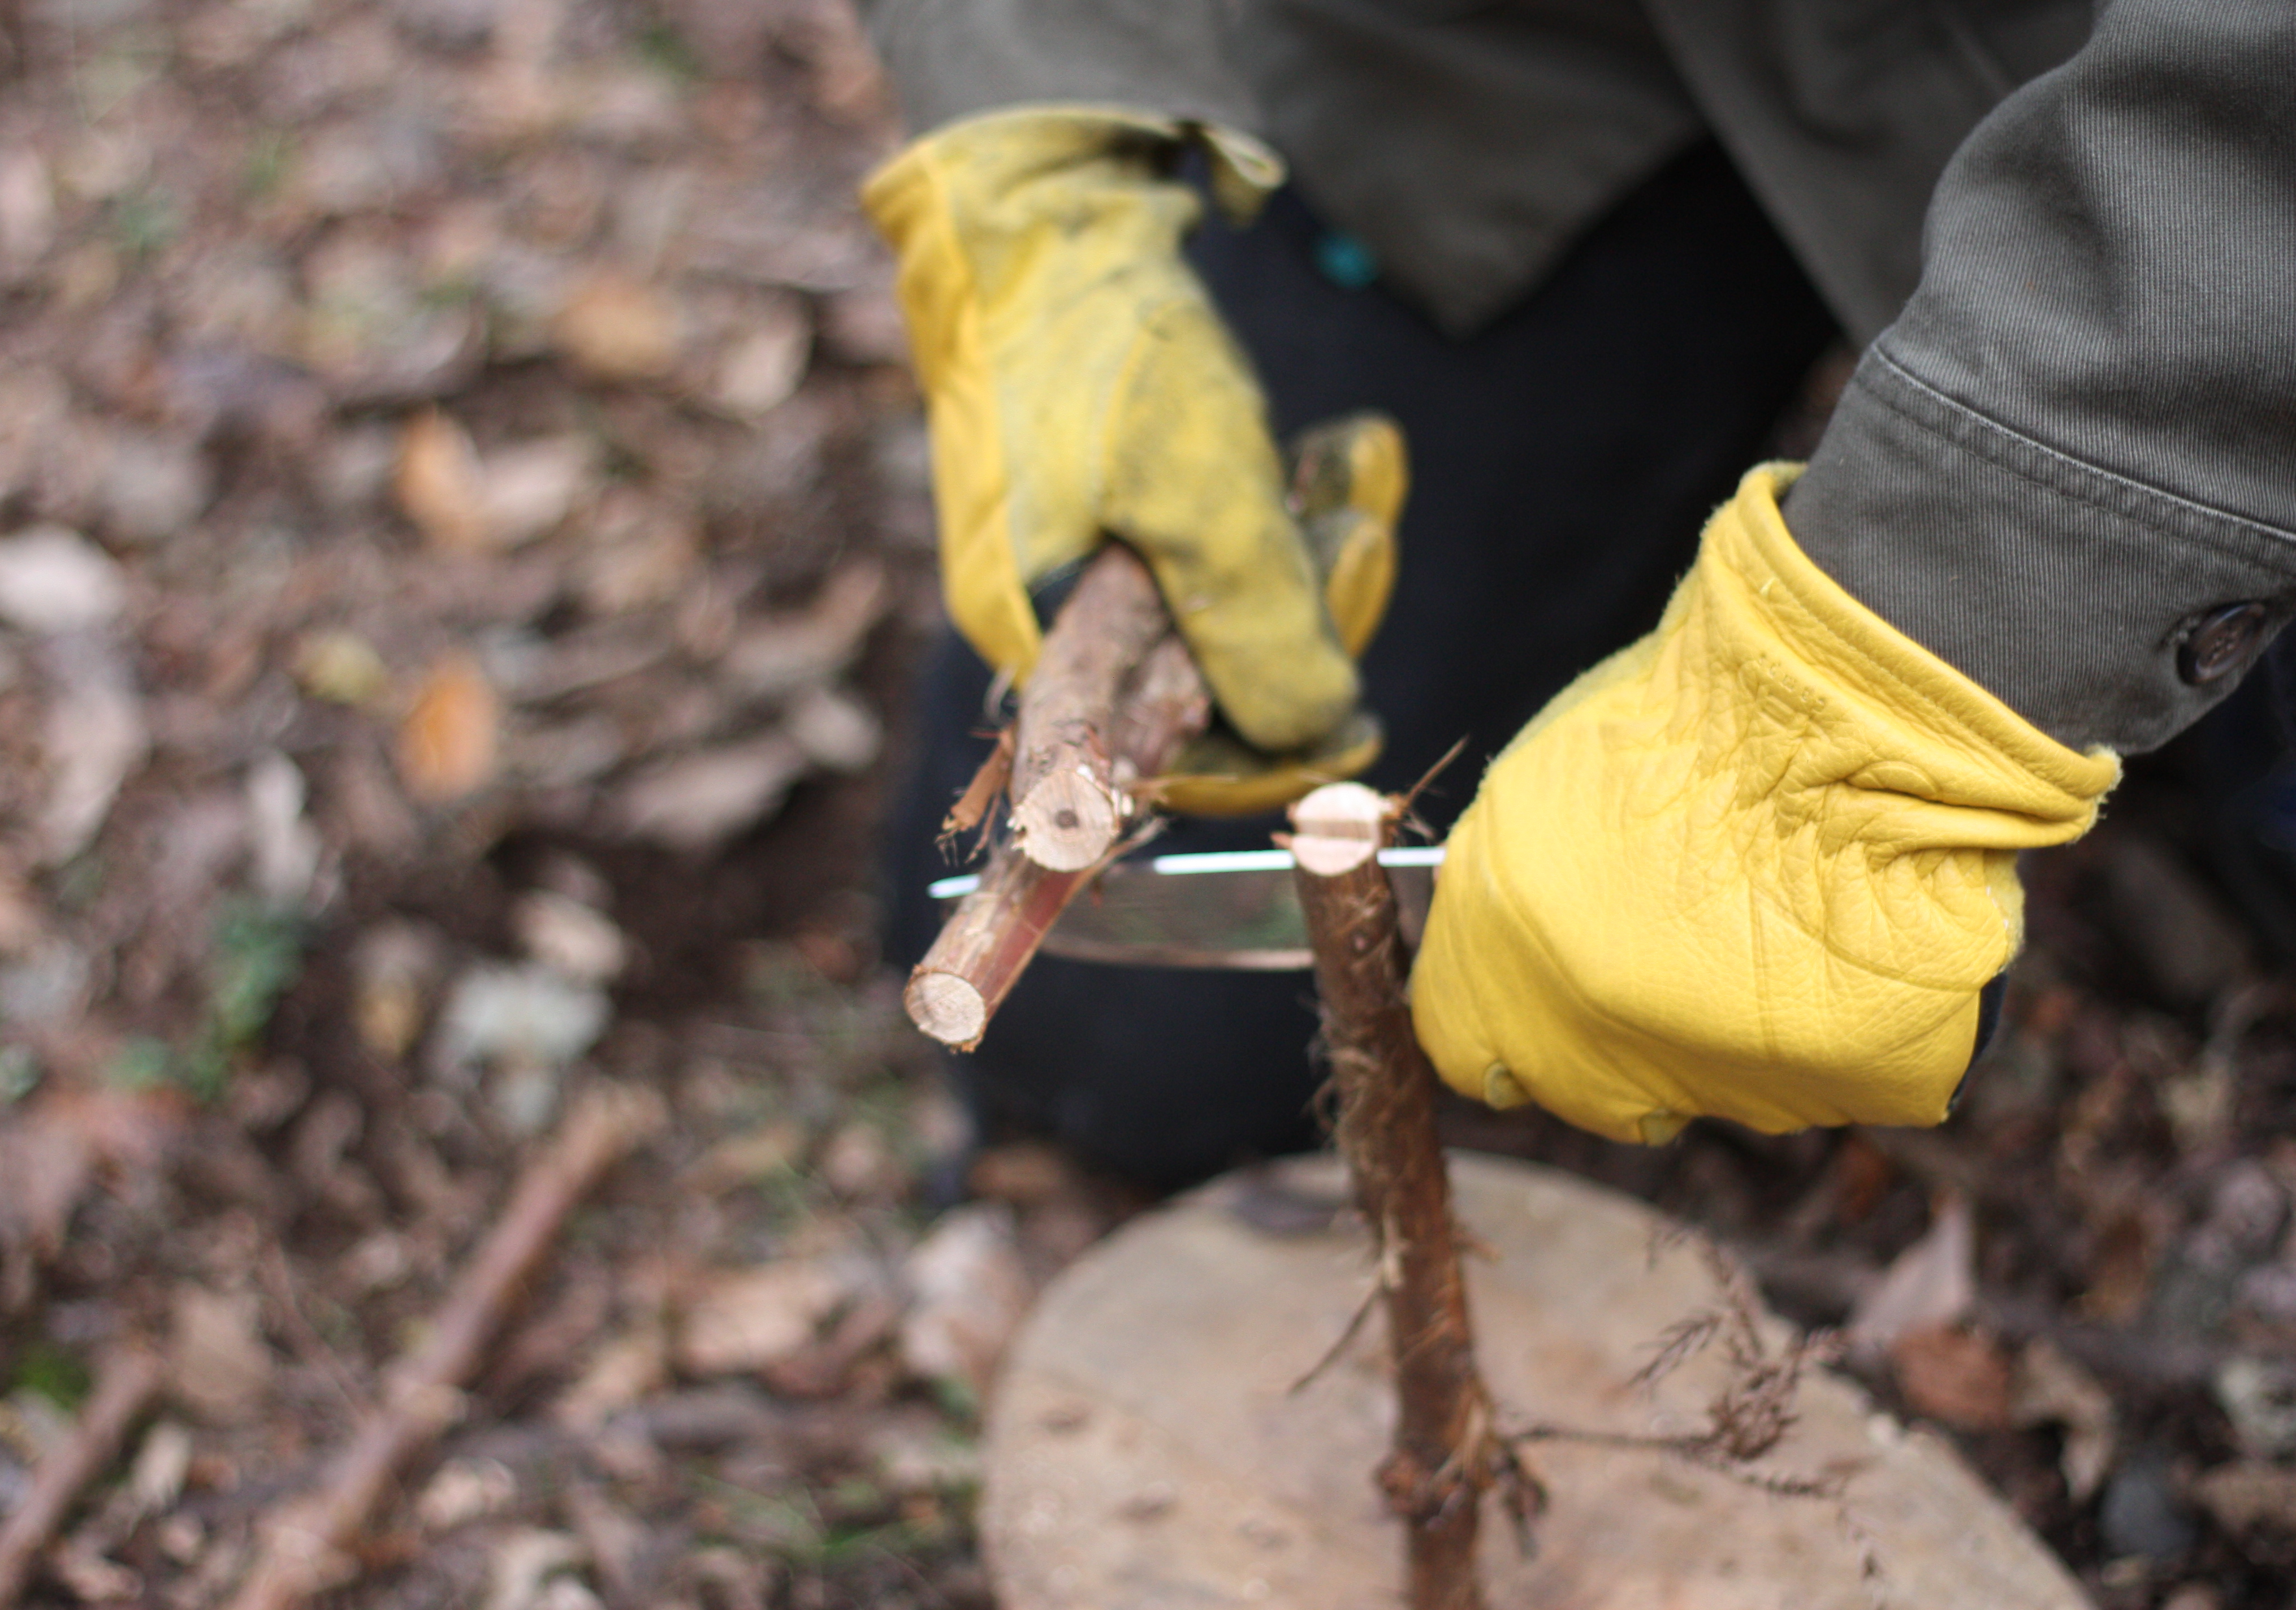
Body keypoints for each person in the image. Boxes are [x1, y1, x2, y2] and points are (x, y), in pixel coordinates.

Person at [863, 0, 2296, 1187]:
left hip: (2182, 151)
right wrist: (1044, 145)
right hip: (1530, 63)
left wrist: (1916, 663)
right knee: (1119, 1034)